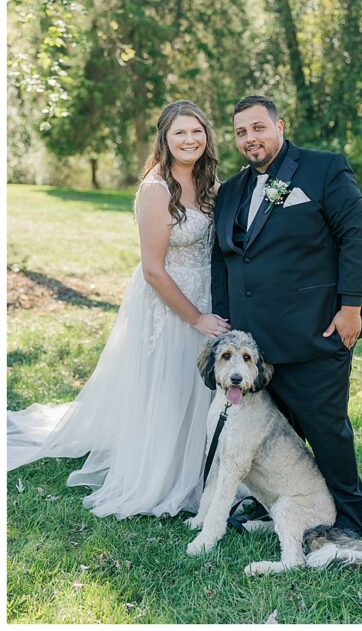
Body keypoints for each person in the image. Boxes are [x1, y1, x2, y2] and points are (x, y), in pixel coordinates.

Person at [7, 100, 228, 518]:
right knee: (166, 386)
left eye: (196, 131)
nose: (189, 139)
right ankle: (161, 476)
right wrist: (195, 317)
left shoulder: (212, 184)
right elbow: (152, 270)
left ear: (206, 136)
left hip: (207, 293)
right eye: (179, 132)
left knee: (196, 387)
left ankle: (202, 468)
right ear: (164, 138)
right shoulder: (155, 189)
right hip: (167, 300)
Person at [211, 95, 362, 539]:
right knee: (273, 437)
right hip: (254, 353)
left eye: (258, 127)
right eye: (242, 132)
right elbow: (222, 262)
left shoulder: (323, 169)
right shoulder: (230, 192)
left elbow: (355, 236)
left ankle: (347, 520)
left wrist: (351, 307)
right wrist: (226, 329)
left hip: (314, 332)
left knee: (325, 429)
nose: (251, 138)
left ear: (280, 126)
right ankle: (275, 505)